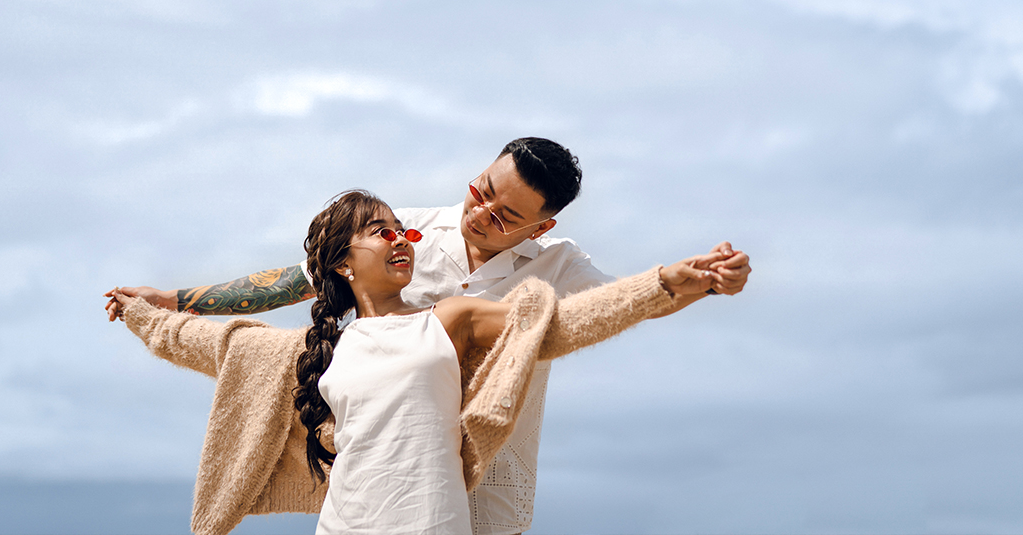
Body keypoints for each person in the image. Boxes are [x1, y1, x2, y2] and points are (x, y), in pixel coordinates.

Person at [106, 137, 751, 534]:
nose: (480, 214)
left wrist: (686, 283)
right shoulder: (401, 232)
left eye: (505, 217)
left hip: (487, 476)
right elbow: (290, 284)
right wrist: (175, 299)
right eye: (480, 191)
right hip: (369, 476)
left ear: (540, 227)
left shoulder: (558, 269)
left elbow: (598, 311)